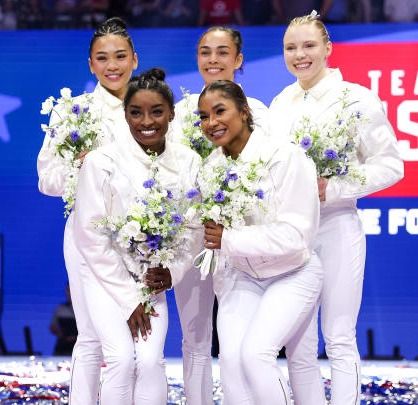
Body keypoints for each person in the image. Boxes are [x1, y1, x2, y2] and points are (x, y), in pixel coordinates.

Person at [269, 13, 404, 404]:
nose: (300, 55)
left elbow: (391, 165)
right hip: (293, 233)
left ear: (328, 48)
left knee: (339, 335)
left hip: (337, 225)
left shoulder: (356, 99)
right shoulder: (281, 103)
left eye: (309, 45)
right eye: (291, 48)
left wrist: (335, 187)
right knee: (299, 343)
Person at [73, 68, 202, 404]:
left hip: (151, 279)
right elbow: (89, 234)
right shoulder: (101, 162)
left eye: (157, 111)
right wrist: (128, 299)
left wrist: (173, 272)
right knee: (119, 358)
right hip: (104, 277)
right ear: (124, 114)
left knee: (148, 361)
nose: (147, 121)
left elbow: (194, 227)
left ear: (172, 113)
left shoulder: (189, 161)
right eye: (136, 112)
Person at [198, 80, 323, 405]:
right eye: (204, 116)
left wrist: (230, 238)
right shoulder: (212, 168)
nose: (212, 122)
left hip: (293, 273)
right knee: (232, 365)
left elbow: (297, 238)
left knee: (255, 354)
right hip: (242, 277)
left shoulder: (286, 157)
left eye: (220, 111)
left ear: (245, 111)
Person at [36, 16, 138, 405]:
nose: (112, 65)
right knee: (92, 336)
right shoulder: (71, 112)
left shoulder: (150, 109)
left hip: (143, 239)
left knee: (136, 345)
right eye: (102, 58)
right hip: (85, 236)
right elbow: (46, 179)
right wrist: (78, 168)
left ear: (134, 60)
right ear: (90, 64)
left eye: (120, 56)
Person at [165, 25, 269, 405]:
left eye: (222, 52)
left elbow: (265, 177)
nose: (213, 59)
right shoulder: (179, 116)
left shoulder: (258, 113)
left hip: (239, 243)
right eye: (205, 52)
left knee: (239, 339)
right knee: (194, 337)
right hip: (193, 238)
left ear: (238, 60)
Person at [50, 283, 77, 355]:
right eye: (68, 290)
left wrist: (75, 337)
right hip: (62, 348)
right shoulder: (60, 309)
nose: (69, 293)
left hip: (80, 349)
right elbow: (52, 327)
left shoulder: (87, 309)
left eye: (72, 290)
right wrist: (59, 332)